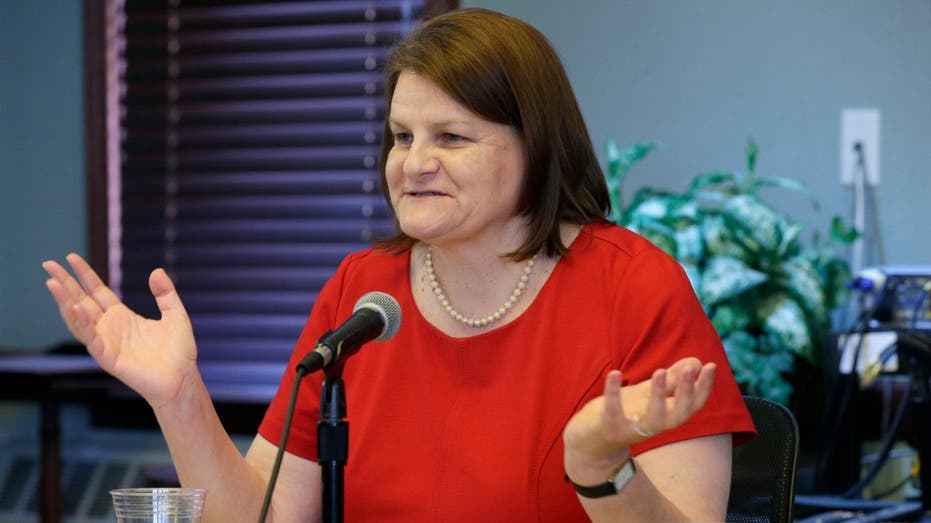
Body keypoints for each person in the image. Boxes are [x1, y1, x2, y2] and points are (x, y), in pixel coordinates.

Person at [43, 8, 754, 523]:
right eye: (401, 136)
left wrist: (600, 467)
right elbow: (265, 516)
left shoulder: (632, 286)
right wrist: (178, 396)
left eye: (451, 137)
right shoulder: (363, 290)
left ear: (536, 146)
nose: (413, 164)